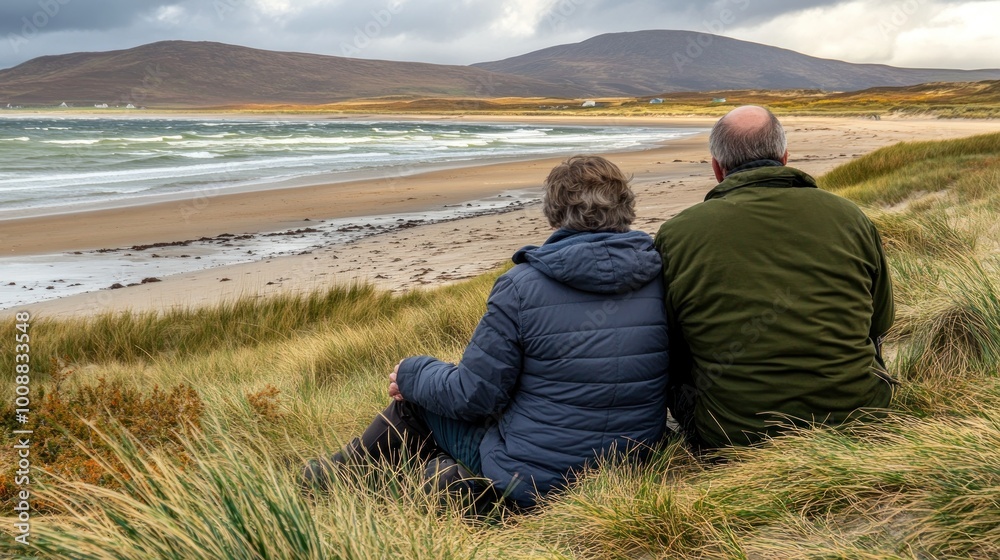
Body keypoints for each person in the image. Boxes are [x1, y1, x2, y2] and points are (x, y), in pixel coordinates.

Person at [302, 155, 670, 508]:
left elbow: (474, 396)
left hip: (536, 479)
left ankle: (332, 479)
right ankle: (441, 479)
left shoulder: (521, 285)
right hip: (634, 467)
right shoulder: (661, 273)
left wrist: (412, 372)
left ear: (554, 212)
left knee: (414, 401)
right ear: (626, 205)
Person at [654, 105, 895, 449]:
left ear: (717, 168)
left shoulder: (678, 233)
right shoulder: (849, 216)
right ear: (784, 157)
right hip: (860, 418)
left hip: (735, 434)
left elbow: (672, 342)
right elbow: (881, 320)